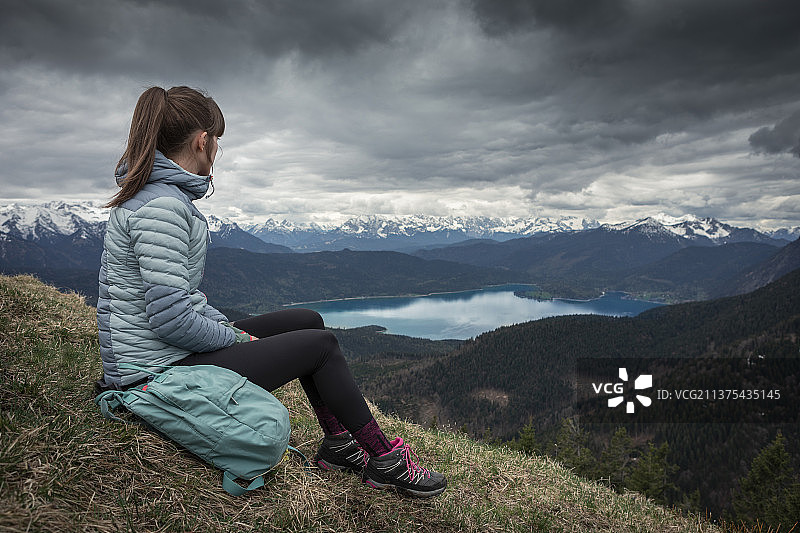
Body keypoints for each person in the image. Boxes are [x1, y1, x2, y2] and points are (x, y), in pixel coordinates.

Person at [96, 85, 446, 498]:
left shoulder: (158, 199)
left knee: (307, 321)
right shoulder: (162, 208)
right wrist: (236, 337)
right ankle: (384, 460)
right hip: (154, 373)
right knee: (321, 346)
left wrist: (225, 329)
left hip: (166, 353)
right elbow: (171, 318)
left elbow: (182, 299)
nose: (216, 154)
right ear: (202, 142)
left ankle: (339, 446)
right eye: (217, 144)